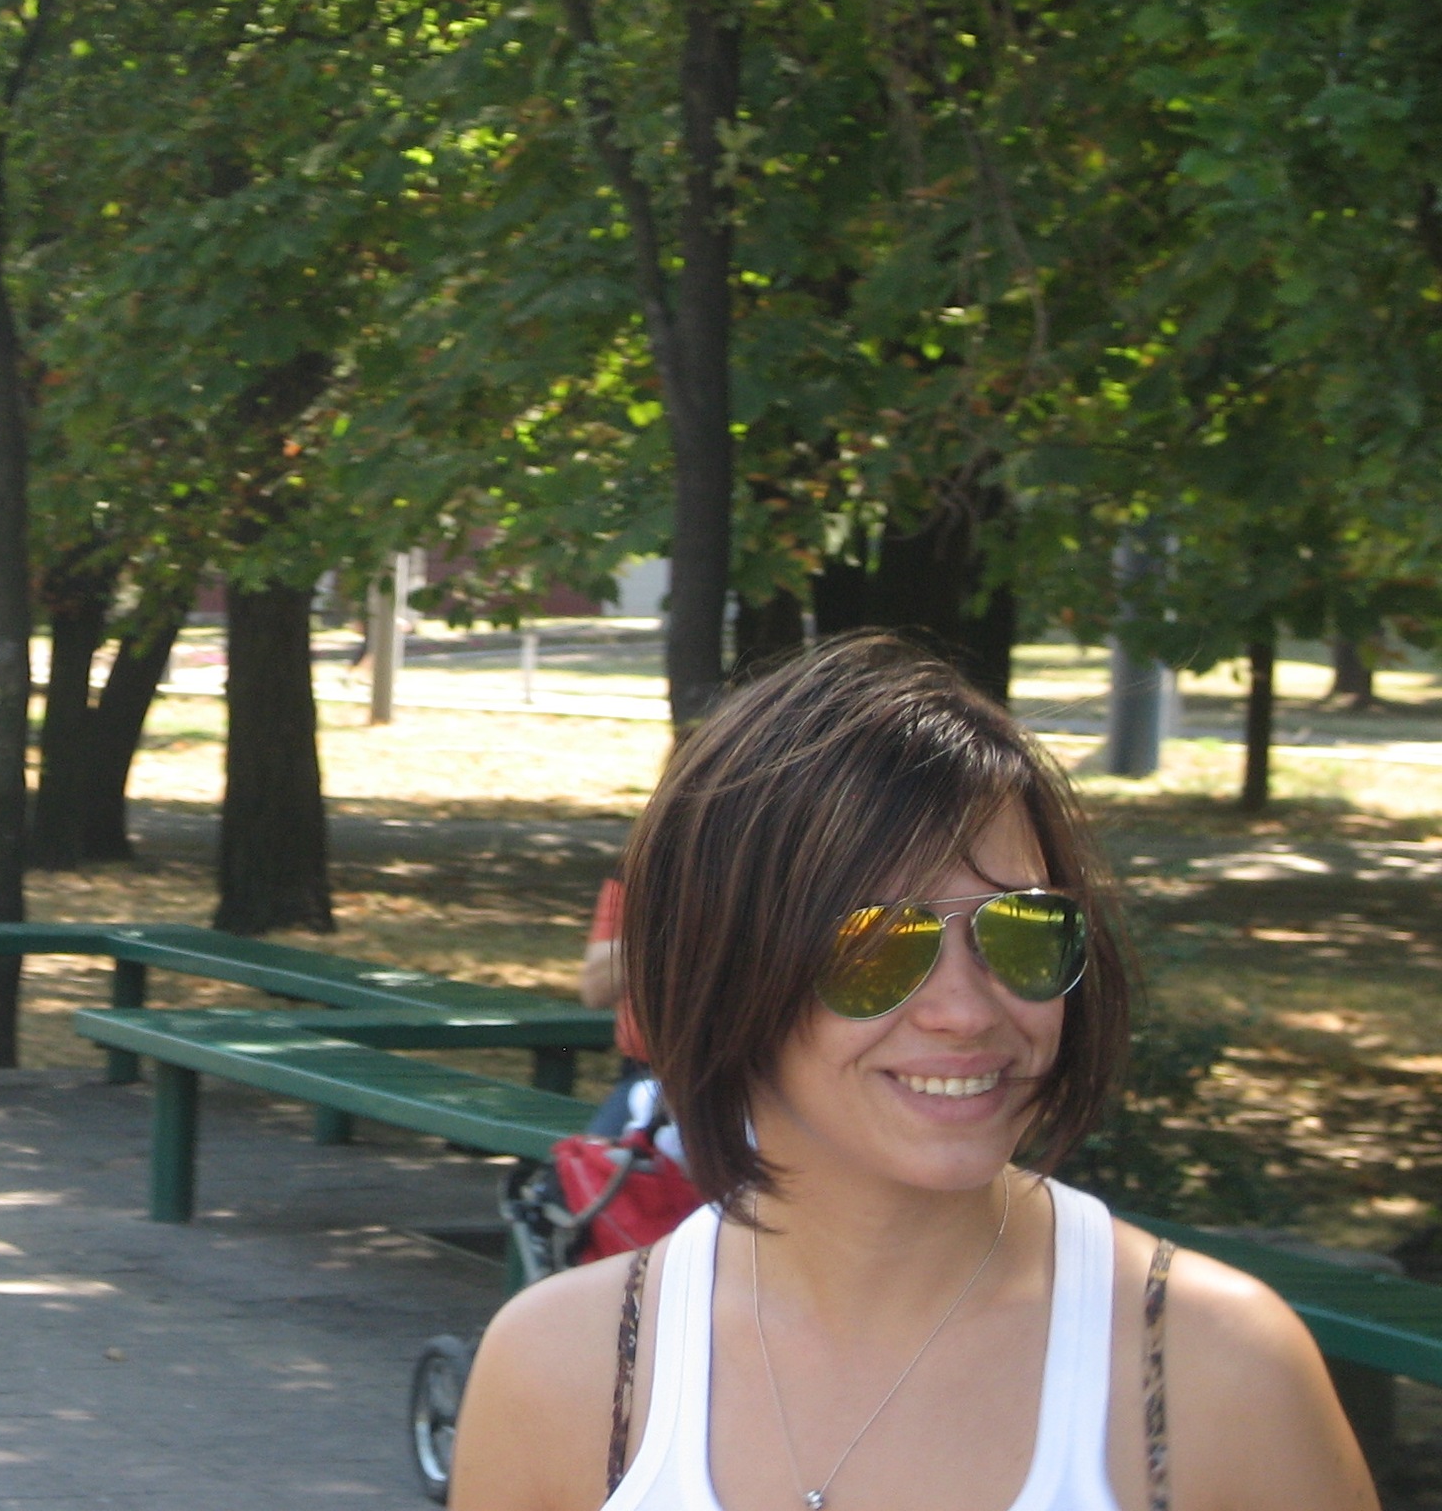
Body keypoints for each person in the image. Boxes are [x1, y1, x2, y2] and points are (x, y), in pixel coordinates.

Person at [452, 634, 1375, 1511]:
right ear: (725, 969)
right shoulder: (564, 1371)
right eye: (878, 947)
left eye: (1023, 932)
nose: (965, 1010)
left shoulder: (1213, 1372)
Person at [580, 875, 652, 1138]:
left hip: (746, 1078)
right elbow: (595, 992)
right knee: (593, 1160)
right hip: (648, 1073)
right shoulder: (637, 872)